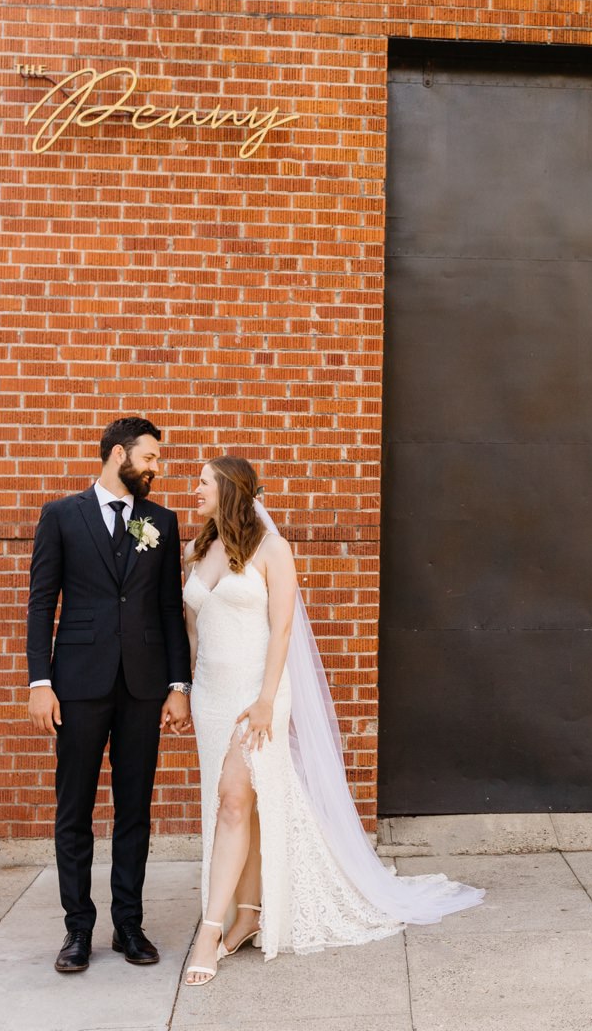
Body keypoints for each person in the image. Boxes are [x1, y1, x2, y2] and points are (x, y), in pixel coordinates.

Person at [180, 455, 482, 985]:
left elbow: (281, 631)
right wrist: (186, 686)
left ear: (229, 490)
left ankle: (210, 928)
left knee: (234, 797)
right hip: (211, 695)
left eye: (202, 482)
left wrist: (267, 699)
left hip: (258, 691)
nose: (193, 490)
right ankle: (247, 917)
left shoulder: (272, 550)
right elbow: (194, 627)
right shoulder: (197, 550)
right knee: (238, 806)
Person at [25, 416, 192, 974]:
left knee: (135, 810)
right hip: (76, 685)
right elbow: (41, 603)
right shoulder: (61, 516)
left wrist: (178, 685)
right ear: (118, 454)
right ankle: (77, 930)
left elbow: (170, 609)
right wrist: (40, 682)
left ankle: (128, 925)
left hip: (143, 688)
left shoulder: (161, 522)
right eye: (149, 459)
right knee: (73, 810)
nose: (156, 469)